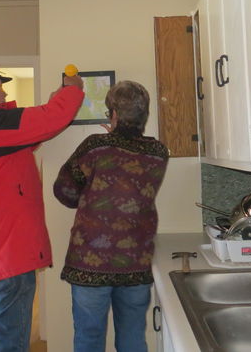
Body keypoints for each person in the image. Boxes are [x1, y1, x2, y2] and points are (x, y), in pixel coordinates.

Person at [0, 61, 84, 352]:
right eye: (1, 87)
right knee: (11, 339)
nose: (4, 94)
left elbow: (29, 133)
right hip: (7, 249)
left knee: (5, 328)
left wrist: (54, 99)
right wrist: (72, 91)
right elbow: (50, 119)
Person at [53, 80, 169, 352]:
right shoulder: (158, 153)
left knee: (89, 339)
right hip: (135, 262)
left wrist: (89, 195)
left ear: (114, 114)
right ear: (144, 115)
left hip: (90, 262)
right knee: (132, 339)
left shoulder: (96, 147)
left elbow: (64, 190)